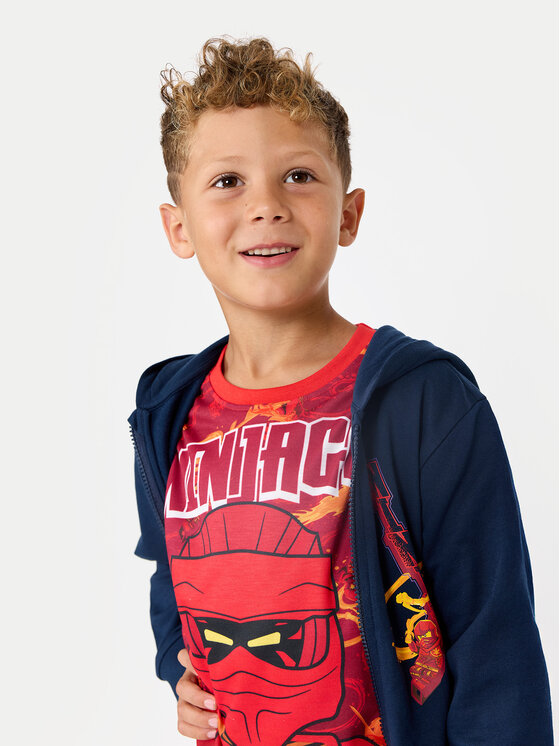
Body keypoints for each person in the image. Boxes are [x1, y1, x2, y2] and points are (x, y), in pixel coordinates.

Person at [129, 37, 553, 746]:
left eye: (298, 175)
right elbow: (169, 576)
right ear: (179, 228)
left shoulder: (423, 404)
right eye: (228, 181)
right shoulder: (168, 413)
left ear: (349, 214)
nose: (266, 206)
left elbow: (495, 642)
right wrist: (178, 666)